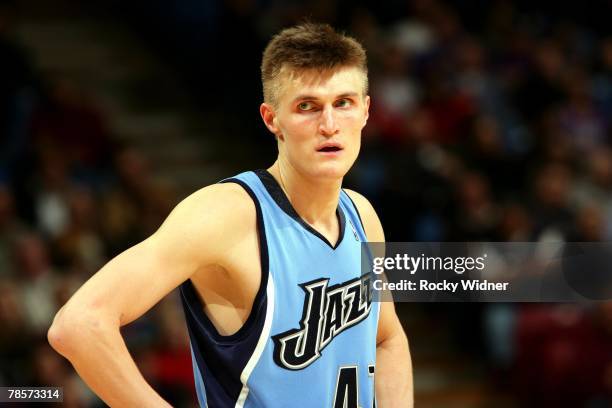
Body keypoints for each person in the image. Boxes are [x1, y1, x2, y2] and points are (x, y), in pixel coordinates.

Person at [47, 22, 413, 407]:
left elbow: (388, 339)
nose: (329, 125)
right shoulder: (228, 215)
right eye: (307, 106)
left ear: (367, 110)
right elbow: (79, 325)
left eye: (343, 103)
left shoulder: (361, 215)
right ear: (272, 119)